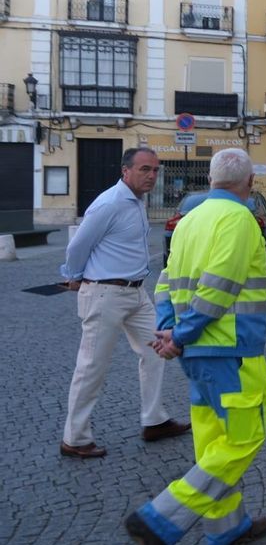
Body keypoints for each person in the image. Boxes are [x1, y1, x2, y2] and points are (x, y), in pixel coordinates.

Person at [125, 148, 266, 545]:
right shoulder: (241, 219)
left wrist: (172, 333)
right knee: (244, 439)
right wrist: (183, 334)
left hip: (196, 355)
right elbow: (219, 288)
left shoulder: (188, 221)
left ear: (210, 181)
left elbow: (167, 281)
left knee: (211, 444)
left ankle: (225, 526)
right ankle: (158, 518)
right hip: (233, 352)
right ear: (248, 185)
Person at [59, 147, 189, 459]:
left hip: (136, 293)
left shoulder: (136, 202)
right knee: (92, 366)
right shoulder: (110, 203)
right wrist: (73, 275)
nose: (152, 176)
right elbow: (78, 245)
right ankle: (74, 438)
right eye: (145, 169)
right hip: (105, 294)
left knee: (157, 350)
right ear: (125, 171)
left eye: (156, 170)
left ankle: (154, 420)